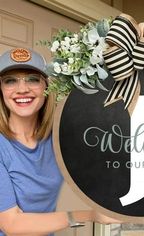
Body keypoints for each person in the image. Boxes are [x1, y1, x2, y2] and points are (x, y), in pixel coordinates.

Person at [0, 48, 118, 236]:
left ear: (47, 86)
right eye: (10, 81)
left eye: (33, 79)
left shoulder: (59, 138)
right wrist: (88, 215)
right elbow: (12, 225)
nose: (22, 89)